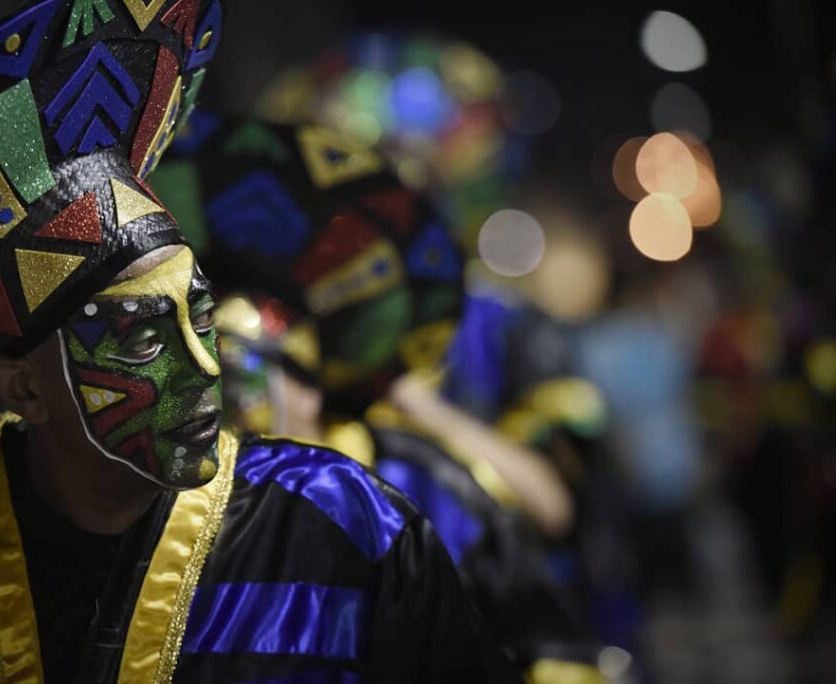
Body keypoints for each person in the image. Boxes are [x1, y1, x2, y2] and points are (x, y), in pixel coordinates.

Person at [0, 3, 509, 682]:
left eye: (200, 318)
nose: (206, 366)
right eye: (144, 338)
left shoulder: (349, 525)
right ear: (20, 385)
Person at [153, 113, 608, 683]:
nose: (240, 398)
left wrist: (413, 403)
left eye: (261, 370)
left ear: (313, 381)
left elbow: (550, 548)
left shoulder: (411, 480)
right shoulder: (166, 493)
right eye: (219, 367)